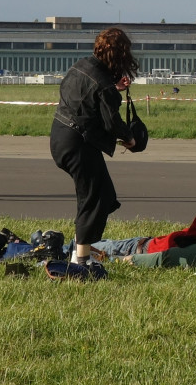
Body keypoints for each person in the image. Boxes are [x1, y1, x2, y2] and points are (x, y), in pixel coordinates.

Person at [50, 26, 142, 266]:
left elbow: (91, 93)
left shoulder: (79, 65)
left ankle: (82, 250)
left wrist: (114, 88)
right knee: (92, 199)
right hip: (78, 144)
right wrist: (130, 140)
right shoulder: (103, 85)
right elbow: (112, 122)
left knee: (104, 195)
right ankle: (81, 261)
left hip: (60, 137)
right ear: (119, 55)